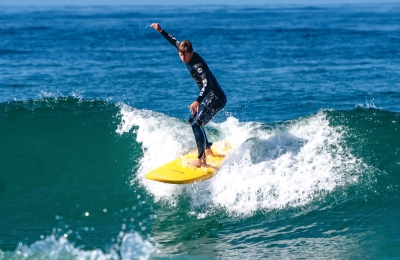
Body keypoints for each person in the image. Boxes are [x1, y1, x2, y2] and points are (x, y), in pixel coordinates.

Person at [151, 23, 227, 167]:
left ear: (191, 52)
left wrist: (198, 100)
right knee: (193, 120)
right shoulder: (183, 50)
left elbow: (208, 84)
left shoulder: (198, 65)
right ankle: (207, 150)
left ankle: (201, 160)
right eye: (180, 54)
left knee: (197, 124)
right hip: (210, 97)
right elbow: (174, 41)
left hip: (216, 98)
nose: (183, 57)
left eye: (185, 55)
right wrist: (161, 31)